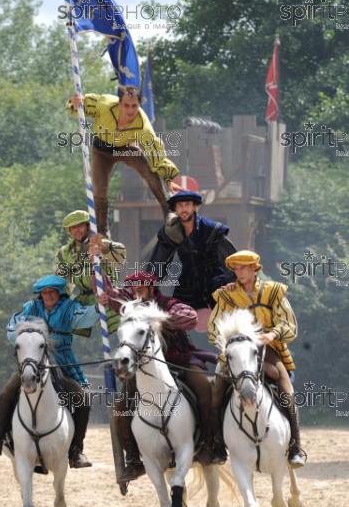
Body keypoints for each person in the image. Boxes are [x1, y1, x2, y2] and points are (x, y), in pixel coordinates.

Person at [98, 271, 224, 482]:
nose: (137, 292)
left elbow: (190, 317)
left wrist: (160, 319)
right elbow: (107, 292)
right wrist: (103, 288)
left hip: (179, 360)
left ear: (151, 288)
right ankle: (134, 460)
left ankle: (209, 445)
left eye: (142, 288)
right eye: (134, 288)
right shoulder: (130, 307)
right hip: (144, 367)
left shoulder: (168, 303)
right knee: (121, 408)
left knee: (205, 389)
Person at [0, 275, 99, 469]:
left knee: (82, 399)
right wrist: (29, 338)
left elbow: (89, 317)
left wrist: (100, 303)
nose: (48, 296)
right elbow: (12, 330)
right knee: (5, 395)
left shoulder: (70, 308)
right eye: (45, 293)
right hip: (32, 361)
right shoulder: (30, 308)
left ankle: (76, 451)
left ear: (60, 294)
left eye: (52, 292)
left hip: (61, 362)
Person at [207, 250, 306, 468]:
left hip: (266, 349)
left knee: (285, 387)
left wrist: (272, 335)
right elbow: (213, 326)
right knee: (215, 390)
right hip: (236, 350)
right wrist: (228, 342)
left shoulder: (273, 292)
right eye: (236, 269)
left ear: (254, 268)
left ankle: (296, 447)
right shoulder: (226, 295)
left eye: (242, 268)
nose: (238, 272)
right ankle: (215, 446)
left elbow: (290, 325)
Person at [66, 86, 181, 235]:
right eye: (126, 105)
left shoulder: (143, 126)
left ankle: (168, 212)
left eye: (134, 106)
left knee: (148, 169)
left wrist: (168, 177)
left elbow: (156, 153)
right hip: (101, 151)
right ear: (119, 103)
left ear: (139, 105)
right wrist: (74, 104)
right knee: (99, 190)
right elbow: (78, 107)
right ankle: (102, 231)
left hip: (126, 148)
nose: (130, 111)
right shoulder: (104, 104)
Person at [148, 191, 237, 314]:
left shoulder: (210, 229)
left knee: (225, 316)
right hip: (188, 283)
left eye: (187, 205)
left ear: (194, 206)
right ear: (175, 209)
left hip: (215, 280)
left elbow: (231, 259)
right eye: (180, 205)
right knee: (176, 315)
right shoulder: (172, 232)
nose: (184, 209)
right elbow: (158, 261)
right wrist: (148, 284)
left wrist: (233, 283)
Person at [55, 209, 126, 336]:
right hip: (84, 299)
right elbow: (62, 281)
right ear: (69, 231)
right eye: (73, 228)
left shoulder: (99, 242)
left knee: (119, 333)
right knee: (65, 325)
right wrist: (61, 302)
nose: (77, 230)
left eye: (80, 226)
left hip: (108, 295)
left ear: (87, 226)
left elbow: (121, 256)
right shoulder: (65, 252)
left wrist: (103, 248)